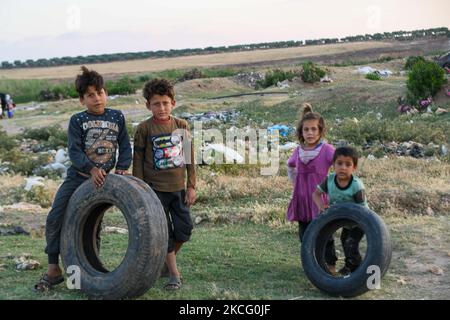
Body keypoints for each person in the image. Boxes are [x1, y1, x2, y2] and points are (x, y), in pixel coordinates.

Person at [34, 66, 132, 292]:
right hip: (78, 178)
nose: (96, 98)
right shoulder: (77, 120)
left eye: (99, 92)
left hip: (104, 180)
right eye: (90, 95)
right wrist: (90, 168)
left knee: (92, 224)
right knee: (56, 217)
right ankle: (53, 269)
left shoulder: (117, 116)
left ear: (105, 93)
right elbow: (75, 151)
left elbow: (124, 144)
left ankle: (90, 270)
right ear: (82, 100)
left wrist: (123, 167)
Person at [133, 78, 196, 291]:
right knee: (166, 232)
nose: (161, 108)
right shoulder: (144, 129)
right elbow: (138, 160)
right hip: (154, 190)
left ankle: (164, 263)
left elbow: (189, 157)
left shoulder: (181, 126)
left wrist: (191, 185)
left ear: (173, 103)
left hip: (178, 188)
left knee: (184, 229)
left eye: (165, 103)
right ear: (148, 105)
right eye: (156, 103)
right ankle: (174, 274)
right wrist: (140, 188)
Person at [287, 103, 337, 274]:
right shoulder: (298, 151)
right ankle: (311, 264)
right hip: (301, 199)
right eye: (306, 129)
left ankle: (330, 265)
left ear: (320, 131)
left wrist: (338, 184)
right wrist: (295, 184)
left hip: (320, 199)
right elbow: (290, 166)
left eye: (314, 129)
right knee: (305, 235)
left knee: (325, 233)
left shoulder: (327, 150)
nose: (310, 133)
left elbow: (340, 164)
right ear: (301, 132)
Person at [312, 146, 367, 275]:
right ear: (333, 165)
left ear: (354, 167)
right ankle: (347, 265)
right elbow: (316, 194)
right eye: (339, 163)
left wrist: (360, 222)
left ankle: (355, 269)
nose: (343, 167)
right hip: (342, 220)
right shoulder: (330, 180)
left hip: (359, 220)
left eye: (348, 164)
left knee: (350, 243)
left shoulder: (357, 186)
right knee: (344, 241)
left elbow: (363, 209)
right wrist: (321, 206)